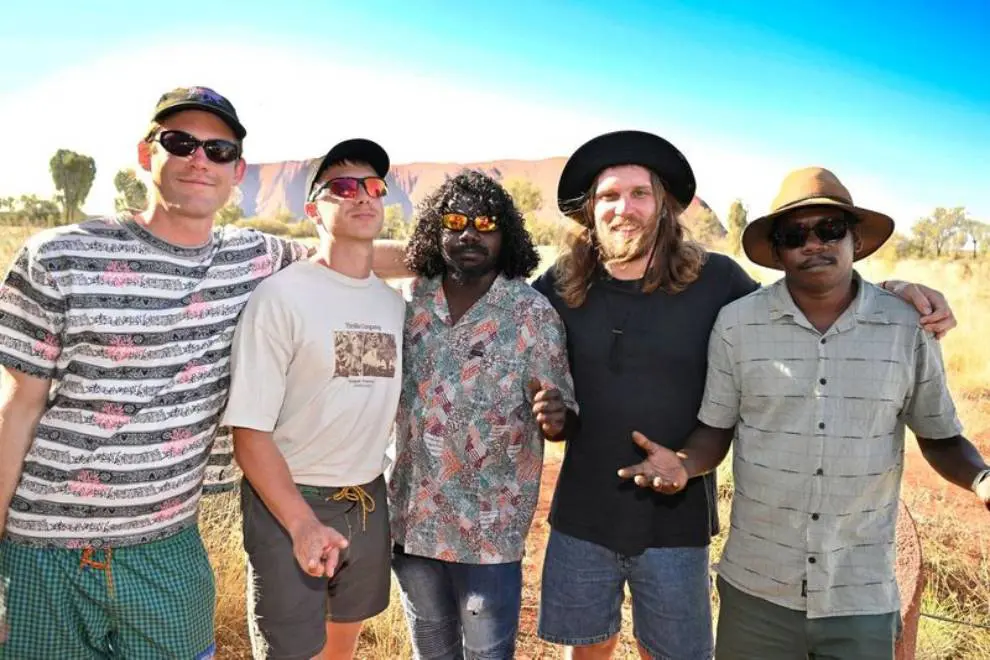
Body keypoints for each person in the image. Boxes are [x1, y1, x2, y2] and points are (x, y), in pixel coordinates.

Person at [527, 132, 958, 660]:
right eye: (609, 196)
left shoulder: (716, 280)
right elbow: (506, 319)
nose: (624, 209)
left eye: (640, 193)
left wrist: (894, 291)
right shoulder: (560, 284)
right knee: (586, 649)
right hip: (583, 513)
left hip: (677, 516)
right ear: (589, 210)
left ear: (664, 206)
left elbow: (805, 296)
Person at [618, 166, 990, 660]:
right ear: (777, 252)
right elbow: (715, 429)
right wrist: (685, 464)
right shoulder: (738, 323)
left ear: (855, 238)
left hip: (859, 592)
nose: (813, 244)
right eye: (795, 235)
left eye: (830, 229)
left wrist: (982, 479)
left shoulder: (907, 326)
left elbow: (940, 437)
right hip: (757, 589)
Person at [0, 87, 309, 658]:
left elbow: (351, 256)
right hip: (40, 553)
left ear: (237, 172)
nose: (200, 159)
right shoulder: (57, 257)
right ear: (147, 155)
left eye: (219, 151)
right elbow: (16, 409)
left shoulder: (256, 259)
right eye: (180, 142)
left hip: (167, 551)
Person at [222, 139, 405, 660]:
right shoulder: (281, 296)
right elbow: (250, 435)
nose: (363, 197)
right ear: (312, 209)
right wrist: (301, 521)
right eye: (343, 188)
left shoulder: (393, 304)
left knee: (342, 645)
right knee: (291, 650)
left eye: (374, 187)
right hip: (290, 499)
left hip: (367, 498)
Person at [388, 170, 577, 660]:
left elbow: (565, 415)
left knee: (488, 654)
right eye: (456, 221)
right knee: (431, 648)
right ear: (437, 230)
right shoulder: (410, 301)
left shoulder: (531, 313)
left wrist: (558, 418)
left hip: (489, 529)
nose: (469, 233)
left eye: (485, 223)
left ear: (505, 235)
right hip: (413, 517)